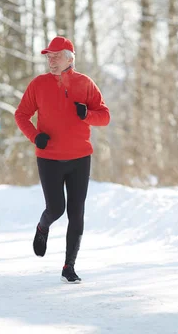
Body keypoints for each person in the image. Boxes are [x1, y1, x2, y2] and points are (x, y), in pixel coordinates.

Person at [15, 36, 110, 283]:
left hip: (80, 158)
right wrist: (36, 137)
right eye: (48, 56)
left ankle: (69, 266)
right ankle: (42, 226)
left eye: (55, 56)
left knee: (76, 213)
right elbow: (21, 115)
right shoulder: (39, 84)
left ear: (70, 57)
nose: (51, 60)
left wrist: (87, 114)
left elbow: (105, 116)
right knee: (56, 208)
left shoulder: (85, 84)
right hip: (49, 158)